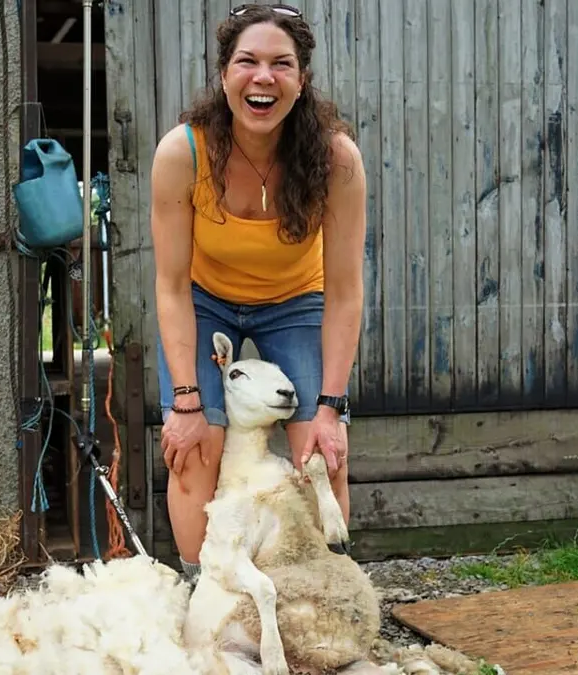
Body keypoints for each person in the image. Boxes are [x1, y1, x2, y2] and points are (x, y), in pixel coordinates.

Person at [147, 2, 367, 582]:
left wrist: (331, 409)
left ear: (301, 79)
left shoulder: (335, 159)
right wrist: (188, 403)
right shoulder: (183, 152)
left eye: (281, 64)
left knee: (322, 456)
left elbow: (345, 292)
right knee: (193, 450)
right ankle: (206, 591)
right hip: (203, 299)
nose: (262, 77)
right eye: (247, 61)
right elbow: (169, 286)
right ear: (224, 75)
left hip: (296, 303)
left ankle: (324, 595)